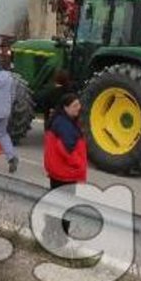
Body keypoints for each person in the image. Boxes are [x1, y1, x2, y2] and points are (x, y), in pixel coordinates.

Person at [43, 93, 87, 236]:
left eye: (78, 104)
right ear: (65, 107)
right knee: (66, 207)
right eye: (75, 105)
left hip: (57, 171)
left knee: (55, 204)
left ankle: (49, 234)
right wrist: (79, 164)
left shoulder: (58, 121)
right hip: (66, 173)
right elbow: (66, 150)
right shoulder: (65, 125)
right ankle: (60, 239)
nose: (78, 108)